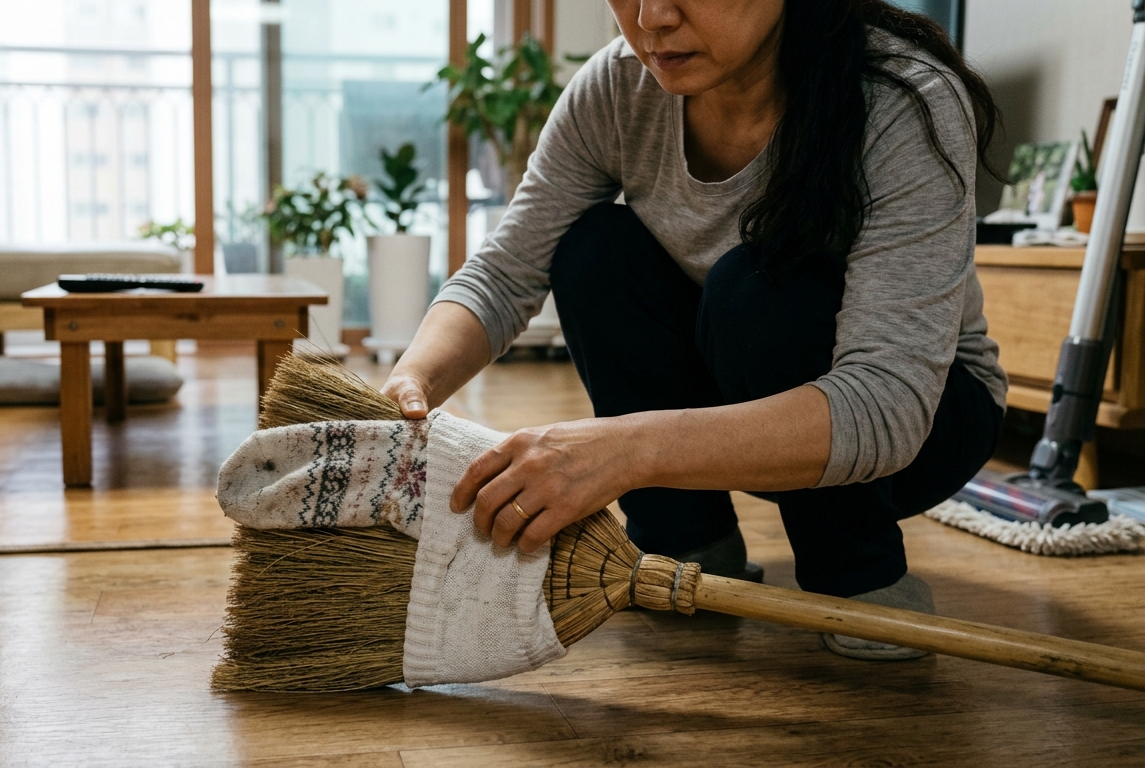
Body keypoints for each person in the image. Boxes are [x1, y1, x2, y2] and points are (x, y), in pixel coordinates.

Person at [380, 0, 1008, 660]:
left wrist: (625, 451)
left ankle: (857, 572)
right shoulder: (619, 85)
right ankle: (689, 548)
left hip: (922, 424)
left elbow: (888, 407)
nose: (651, 17)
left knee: (760, 286)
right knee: (595, 248)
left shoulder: (903, 97)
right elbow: (507, 270)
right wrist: (413, 381)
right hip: (736, 396)